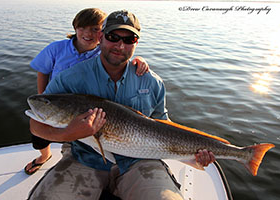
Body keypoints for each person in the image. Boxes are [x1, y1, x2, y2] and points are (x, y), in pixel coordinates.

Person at [27, 10, 215, 200]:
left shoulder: (152, 82)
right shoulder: (69, 78)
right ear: (100, 37)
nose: (120, 45)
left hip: (141, 161)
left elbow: (164, 125)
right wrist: (68, 134)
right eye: (112, 37)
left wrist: (195, 154)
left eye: (129, 39)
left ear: (136, 43)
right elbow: (36, 126)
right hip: (83, 158)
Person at [25, 8, 150, 175]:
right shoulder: (56, 48)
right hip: (57, 100)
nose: (87, 33)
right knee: (41, 135)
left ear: (100, 35)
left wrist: (139, 59)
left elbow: (120, 54)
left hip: (84, 104)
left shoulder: (103, 51)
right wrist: (44, 97)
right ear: (75, 28)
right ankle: (44, 156)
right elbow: (43, 71)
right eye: (82, 27)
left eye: (94, 29)